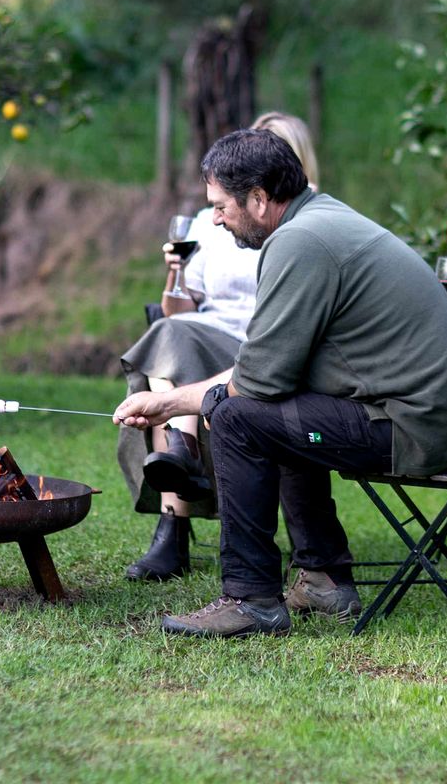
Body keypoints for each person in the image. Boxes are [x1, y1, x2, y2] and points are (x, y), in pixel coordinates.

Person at [112, 127, 447, 637]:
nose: (217, 220)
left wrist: (172, 402)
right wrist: (176, 402)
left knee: (235, 418)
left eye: (221, 207)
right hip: (440, 418)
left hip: (417, 427)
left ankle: (252, 600)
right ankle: (323, 579)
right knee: (271, 413)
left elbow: (257, 383)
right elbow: (267, 368)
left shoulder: (300, 241)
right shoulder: (320, 218)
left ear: (260, 198)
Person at [116, 113, 320, 582]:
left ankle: (175, 500)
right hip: (201, 333)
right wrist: (175, 271)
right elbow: (177, 308)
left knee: (167, 350)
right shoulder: (215, 222)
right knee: (171, 336)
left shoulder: (297, 226)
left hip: (258, 344)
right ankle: (179, 457)